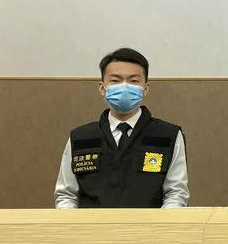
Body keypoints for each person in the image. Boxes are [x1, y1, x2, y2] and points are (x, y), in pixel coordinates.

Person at [54, 48, 189, 208]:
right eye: (116, 80)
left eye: (133, 81)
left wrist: (160, 223)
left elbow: (176, 193)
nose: (124, 86)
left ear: (145, 88)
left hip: (149, 224)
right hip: (92, 224)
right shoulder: (80, 138)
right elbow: (66, 195)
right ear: (102, 88)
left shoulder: (168, 135)